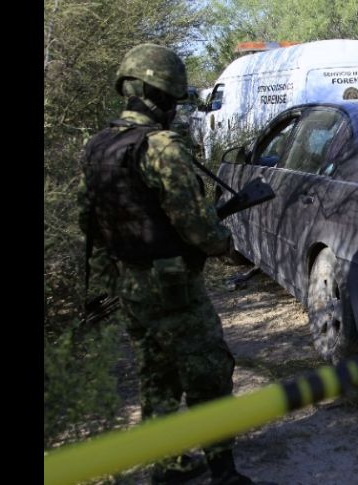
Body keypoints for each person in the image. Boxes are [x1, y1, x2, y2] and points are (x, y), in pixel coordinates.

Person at [77, 43, 256, 485]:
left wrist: (103, 285)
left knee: (157, 374)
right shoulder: (161, 147)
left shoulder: (97, 145)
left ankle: (169, 465)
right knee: (208, 374)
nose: (175, 109)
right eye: (174, 100)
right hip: (171, 285)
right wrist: (223, 242)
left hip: (130, 284)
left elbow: (90, 223)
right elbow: (199, 229)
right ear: (160, 96)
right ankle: (224, 473)